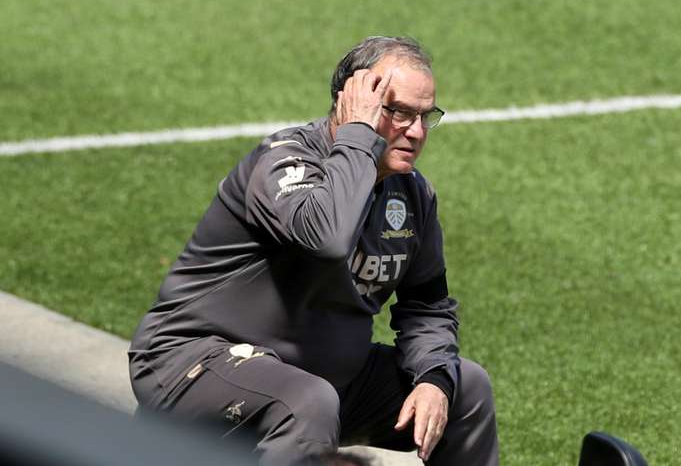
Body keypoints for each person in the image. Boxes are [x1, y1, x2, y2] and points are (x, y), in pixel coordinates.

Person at [128, 36, 499, 466]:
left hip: (325, 380)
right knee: (307, 403)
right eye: (398, 112)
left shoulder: (412, 195)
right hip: (195, 361)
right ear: (354, 101)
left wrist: (434, 378)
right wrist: (359, 136)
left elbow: (427, 307)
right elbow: (326, 237)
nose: (415, 132)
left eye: (424, 116)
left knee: (465, 389)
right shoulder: (284, 163)